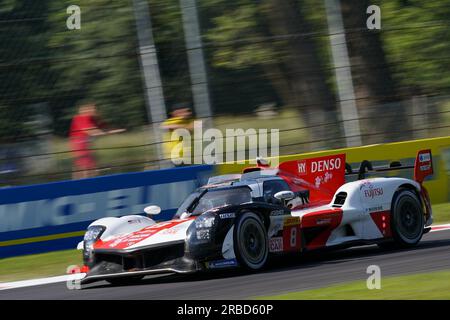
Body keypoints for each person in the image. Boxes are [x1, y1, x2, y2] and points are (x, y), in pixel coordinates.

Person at [69, 103, 124, 179]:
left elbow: (106, 128)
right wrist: (106, 132)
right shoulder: (80, 118)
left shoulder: (94, 119)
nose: (94, 111)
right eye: (91, 109)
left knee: (90, 167)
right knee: (85, 167)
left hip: (88, 144)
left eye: (95, 109)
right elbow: (90, 131)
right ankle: (82, 183)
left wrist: (116, 130)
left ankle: (90, 178)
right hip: (80, 143)